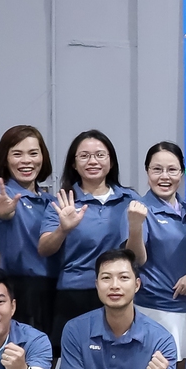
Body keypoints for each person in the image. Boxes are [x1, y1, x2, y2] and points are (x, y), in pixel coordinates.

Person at [44, 129, 134, 331]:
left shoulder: (130, 200)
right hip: (75, 292)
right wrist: (63, 229)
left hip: (117, 291)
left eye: (100, 155)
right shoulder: (62, 201)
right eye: (84, 156)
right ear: (74, 164)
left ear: (111, 162)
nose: (92, 161)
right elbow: (45, 248)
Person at [128, 140, 186, 358]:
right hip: (155, 309)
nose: (165, 177)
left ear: (181, 173)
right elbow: (137, 260)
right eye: (157, 169)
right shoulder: (138, 210)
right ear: (147, 171)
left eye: (172, 170)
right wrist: (135, 226)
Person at [0, 124, 59, 342]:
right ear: (5, 159)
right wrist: (2, 213)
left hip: (54, 290)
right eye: (17, 154)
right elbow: (2, 217)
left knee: (46, 363)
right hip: (19, 290)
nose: (26, 161)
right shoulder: (2, 196)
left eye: (33, 153)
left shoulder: (52, 201)